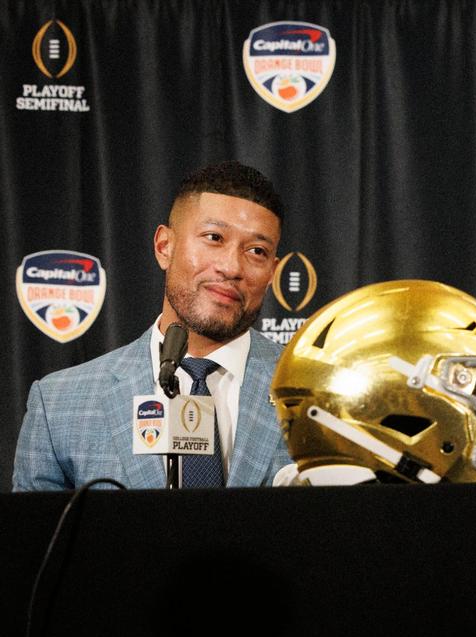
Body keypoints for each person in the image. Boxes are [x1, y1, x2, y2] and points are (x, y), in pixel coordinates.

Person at [13, 161, 294, 490]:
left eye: (257, 251)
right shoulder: (59, 404)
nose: (231, 267)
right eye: (214, 238)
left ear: (272, 272)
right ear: (164, 247)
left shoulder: (318, 391)